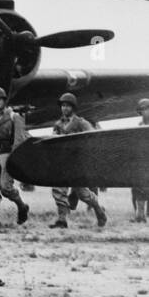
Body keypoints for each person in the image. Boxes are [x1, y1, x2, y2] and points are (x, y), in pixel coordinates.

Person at [49, 93, 107, 229]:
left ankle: (99, 210)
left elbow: (93, 135)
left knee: (83, 194)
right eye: (63, 106)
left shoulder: (80, 122)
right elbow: (53, 140)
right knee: (58, 190)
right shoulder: (58, 124)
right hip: (62, 162)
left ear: (73, 108)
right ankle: (62, 220)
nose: (64, 108)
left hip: (76, 162)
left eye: (67, 106)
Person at [0, 86, 30, 227]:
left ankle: (22, 206)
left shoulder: (14, 116)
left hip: (8, 154)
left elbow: (19, 139)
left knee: (6, 187)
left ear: (4, 100)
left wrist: (14, 159)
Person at [132, 98, 149, 223]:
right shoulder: (139, 127)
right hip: (142, 163)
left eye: (147, 109)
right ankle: (140, 216)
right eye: (143, 110)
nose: (145, 112)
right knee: (138, 189)